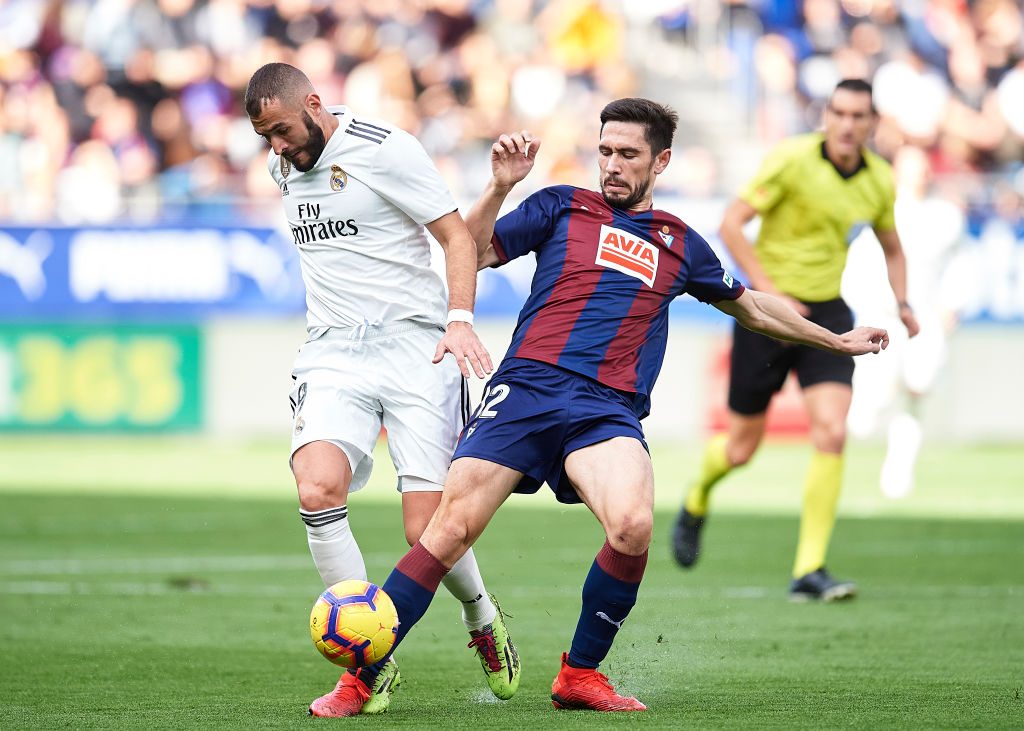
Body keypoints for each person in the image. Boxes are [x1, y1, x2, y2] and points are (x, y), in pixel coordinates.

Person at [314, 97, 889, 716]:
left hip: (605, 408)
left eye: (628, 154)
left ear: (661, 160)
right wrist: (499, 187)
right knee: (447, 529)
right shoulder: (560, 205)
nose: (611, 165)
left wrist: (834, 340)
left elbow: (751, 305)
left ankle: (580, 674)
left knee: (633, 524)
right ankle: (362, 679)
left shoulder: (678, 242)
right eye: (605, 151)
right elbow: (474, 251)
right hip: (528, 389)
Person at [243, 62, 520, 718]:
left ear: (314, 102)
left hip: (418, 348)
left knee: (428, 527)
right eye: (266, 139)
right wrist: (283, 147)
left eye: (282, 130)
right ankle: (369, 664)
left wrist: (459, 322)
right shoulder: (287, 164)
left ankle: (483, 618)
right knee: (316, 487)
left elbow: (455, 236)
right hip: (334, 352)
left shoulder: (386, 148)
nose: (278, 147)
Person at [671, 79, 919, 601]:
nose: (849, 124)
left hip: (827, 314)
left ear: (873, 123)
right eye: (840, 113)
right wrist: (771, 291)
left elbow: (893, 247)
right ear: (826, 115)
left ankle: (809, 570)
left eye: (859, 116)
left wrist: (902, 302)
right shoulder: (791, 159)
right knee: (741, 450)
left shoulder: (878, 180)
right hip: (766, 312)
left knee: (831, 430)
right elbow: (733, 224)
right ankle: (696, 498)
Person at [844, 145, 966, 498]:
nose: (918, 175)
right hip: (882, 318)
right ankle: (860, 414)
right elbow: (855, 270)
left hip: (925, 318)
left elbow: (960, 264)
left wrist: (952, 304)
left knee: (918, 390)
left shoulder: (946, 217)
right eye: (911, 168)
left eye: (923, 167)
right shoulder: (879, 213)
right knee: (873, 406)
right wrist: (867, 310)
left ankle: (898, 473)